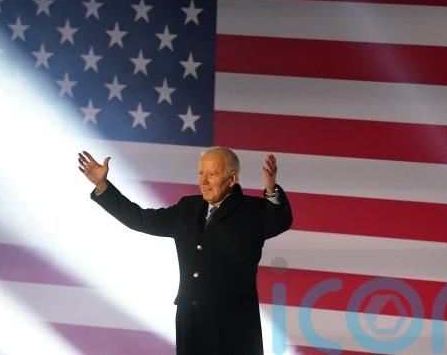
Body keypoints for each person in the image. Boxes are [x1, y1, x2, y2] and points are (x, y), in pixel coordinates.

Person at [77, 147, 293, 355]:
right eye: (201, 173)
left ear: (232, 178)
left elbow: (279, 221)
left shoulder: (251, 210)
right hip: (190, 320)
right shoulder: (187, 208)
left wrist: (271, 190)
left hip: (232, 324)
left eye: (211, 174)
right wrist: (103, 186)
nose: (204, 181)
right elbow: (139, 218)